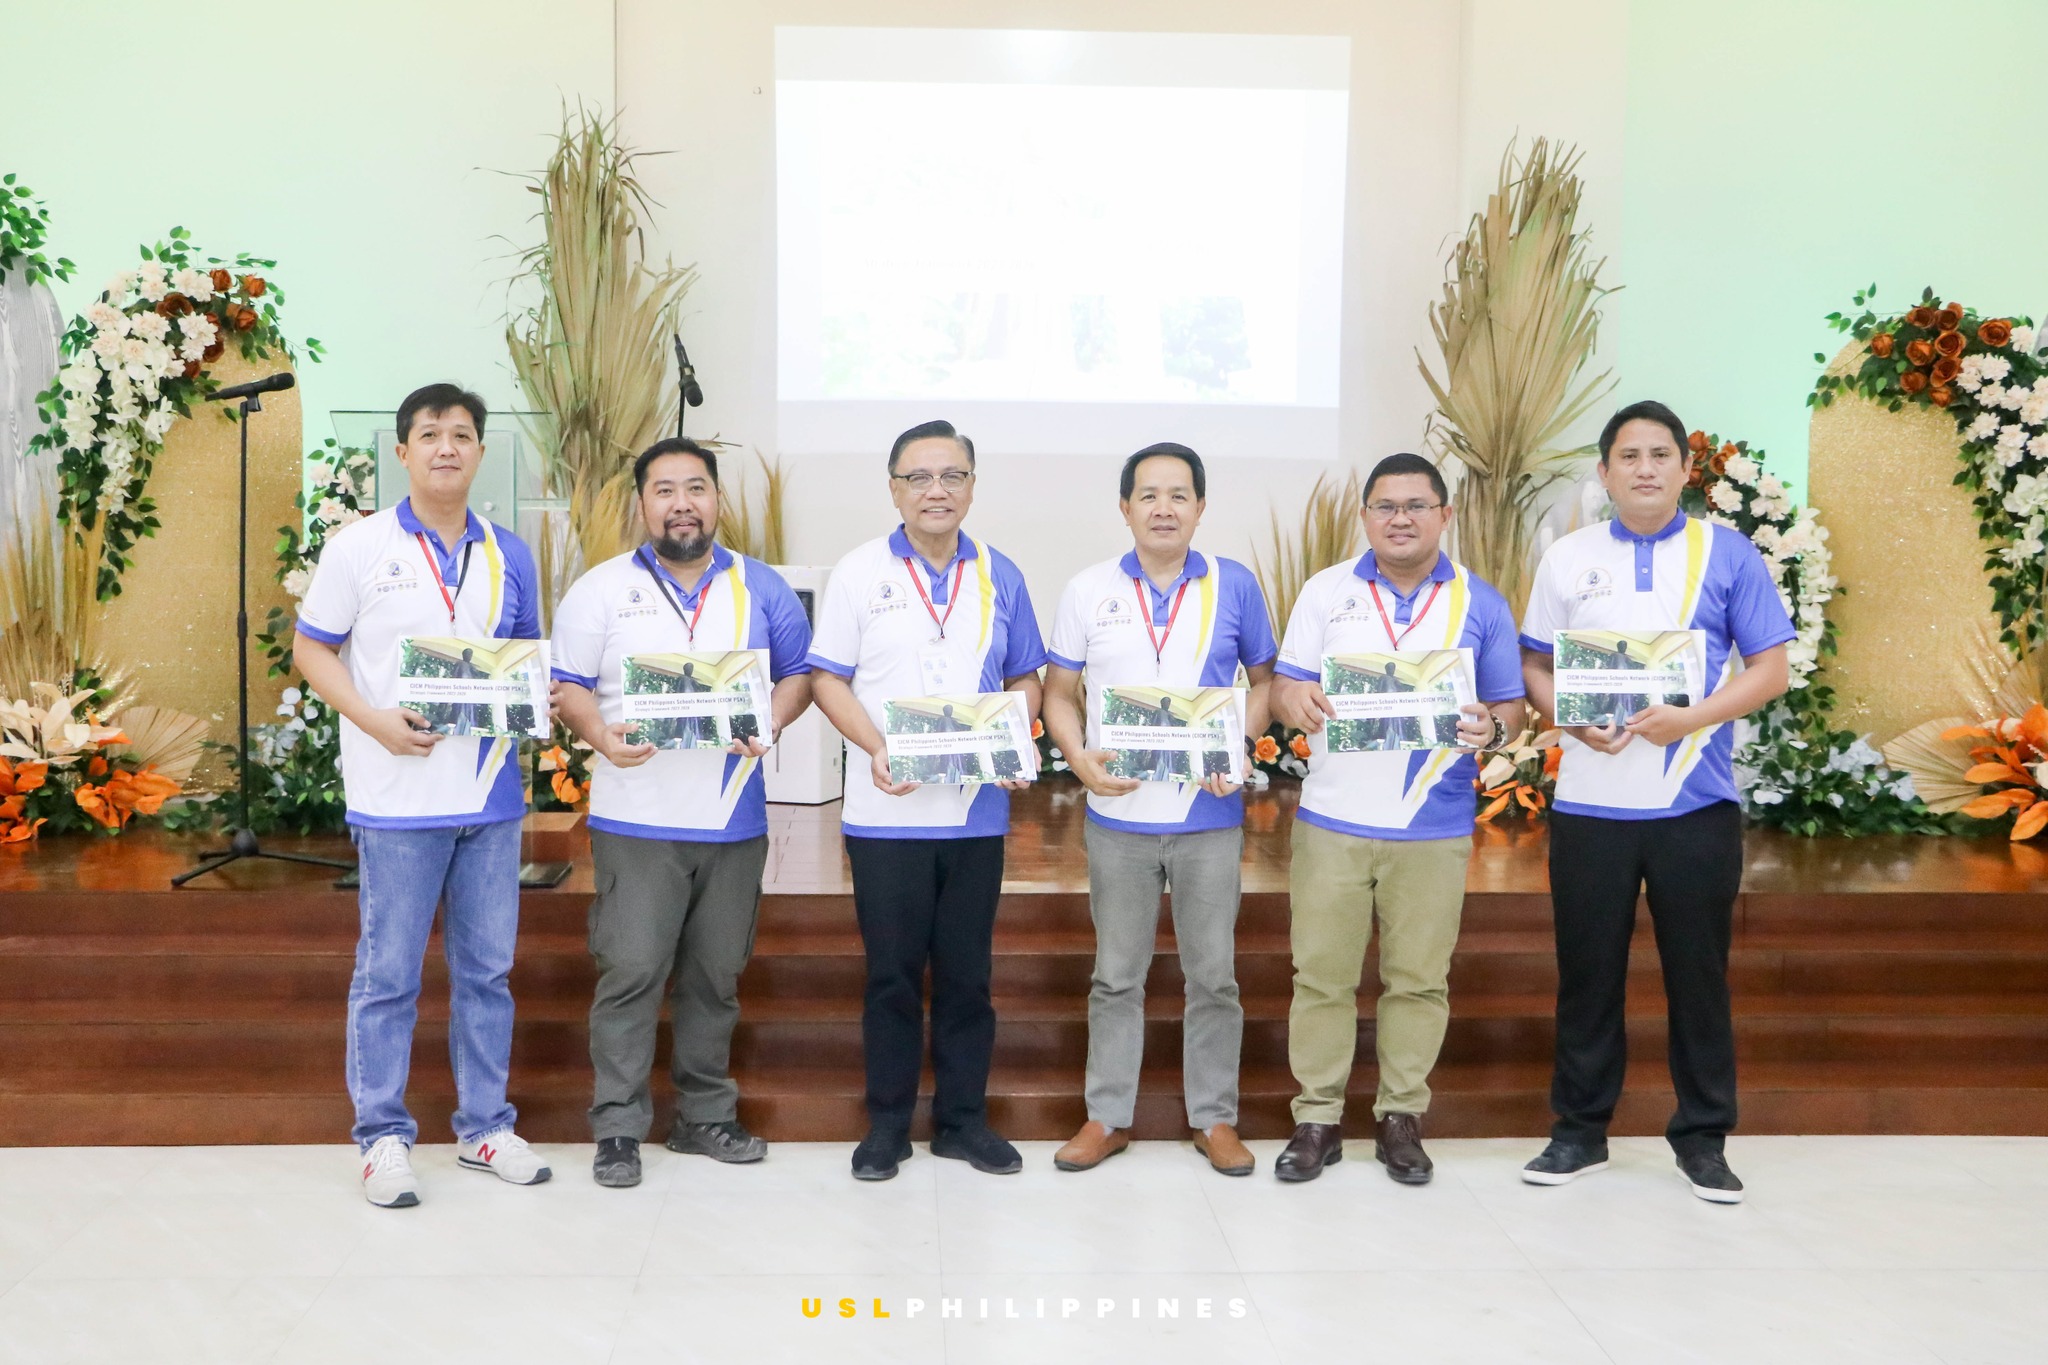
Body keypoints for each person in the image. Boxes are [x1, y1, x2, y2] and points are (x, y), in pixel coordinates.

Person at [1518, 400, 1793, 1204]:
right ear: (1604, 473)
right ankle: (1578, 1131)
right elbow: (1535, 667)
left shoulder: (1726, 552)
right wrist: (1570, 718)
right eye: (1629, 455)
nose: (1645, 468)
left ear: (1685, 469)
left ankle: (1703, 1138)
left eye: (1660, 454)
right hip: (1590, 807)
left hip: (1695, 808)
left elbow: (1770, 669)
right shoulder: (1568, 556)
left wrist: (1691, 717)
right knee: (1587, 976)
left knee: (1698, 978)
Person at [293, 383, 549, 1208]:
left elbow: (522, 662)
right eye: (430, 434)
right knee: (389, 975)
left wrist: (533, 704)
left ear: (480, 453)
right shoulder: (360, 547)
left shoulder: (511, 553)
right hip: (397, 798)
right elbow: (311, 649)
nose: (447, 447)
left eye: (462, 434)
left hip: (489, 799)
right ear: (402, 452)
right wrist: (372, 720)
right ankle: (382, 1136)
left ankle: (484, 1126)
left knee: (487, 973)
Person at [550, 437, 814, 1188]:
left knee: (714, 977)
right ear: (642, 504)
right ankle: (618, 1128)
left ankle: (704, 1116)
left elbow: (799, 675)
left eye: (696, 488)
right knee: (631, 972)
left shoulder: (762, 587)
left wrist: (771, 720)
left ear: (717, 500)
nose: (682, 504)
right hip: (636, 818)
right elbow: (568, 686)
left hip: (733, 819)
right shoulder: (601, 589)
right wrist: (601, 735)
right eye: (664, 490)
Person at [1267, 452, 1525, 1184]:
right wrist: (1295, 701)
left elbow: (1508, 705)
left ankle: (1400, 1117)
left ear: (1445, 515)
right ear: (1365, 517)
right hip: (1334, 818)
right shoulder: (1326, 592)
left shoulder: (1481, 602)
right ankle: (1317, 1119)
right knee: (1321, 976)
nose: (1401, 518)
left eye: (1417, 505)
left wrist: (1493, 728)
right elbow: (1285, 685)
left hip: (1433, 826)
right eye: (1385, 505)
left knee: (1418, 979)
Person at [807, 419, 1046, 1181]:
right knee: (892, 975)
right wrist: (877, 746)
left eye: (952, 475)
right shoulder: (859, 571)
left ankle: (963, 1121)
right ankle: (886, 1125)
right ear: (894, 489)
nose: (936, 490)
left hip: (975, 812)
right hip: (886, 813)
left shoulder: (1001, 573)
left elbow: (1025, 675)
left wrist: (1015, 734)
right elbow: (826, 678)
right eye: (919, 477)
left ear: (972, 486)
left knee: (969, 976)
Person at [1042, 442, 1275, 1177]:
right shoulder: (1088, 589)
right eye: (1149, 495)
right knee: (1116, 975)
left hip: (1208, 818)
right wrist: (1078, 757)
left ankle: (1216, 1118)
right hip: (1119, 818)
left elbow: (1267, 681)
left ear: (1201, 507)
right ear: (1125, 508)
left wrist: (1239, 744)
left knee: (1215, 977)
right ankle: (1107, 1116)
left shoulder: (1235, 585)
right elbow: (1058, 693)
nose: (1164, 508)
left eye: (1179, 495)